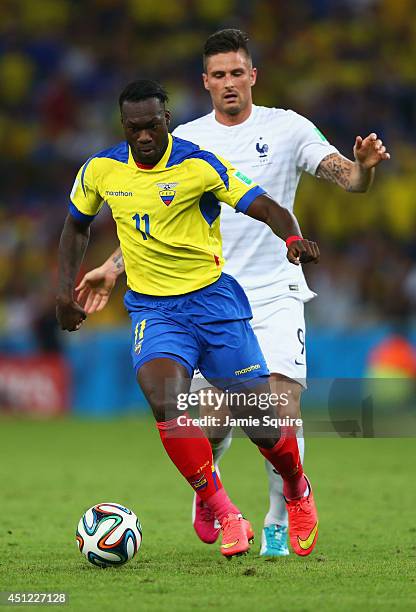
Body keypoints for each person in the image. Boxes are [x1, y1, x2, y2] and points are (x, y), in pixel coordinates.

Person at [75, 30, 390, 557]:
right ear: (205, 82)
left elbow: (346, 179)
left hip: (274, 291)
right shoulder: (186, 143)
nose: (228, 83)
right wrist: (111, 266)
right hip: (201, 297)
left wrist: (361, 170)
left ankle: (276, 519)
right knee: (212, 420)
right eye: (217, 75)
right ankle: (209, 493)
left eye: (236, 72)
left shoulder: (287, 127)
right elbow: (154, 226)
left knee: (276, 407)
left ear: (252, 76)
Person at [56, 79, 321, 559]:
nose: (143, 137)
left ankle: (298, 487)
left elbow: (262, 203)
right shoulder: (100, 170)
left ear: (167, 120)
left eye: (152, 126)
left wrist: (291, 238)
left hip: (214, 304)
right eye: (134, 128)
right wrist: (63, 292)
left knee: (262, 425)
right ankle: (223, 509)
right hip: (154, 310)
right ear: (123, 125)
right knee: (165, 401)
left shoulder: (198, 165)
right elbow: (76, 223)